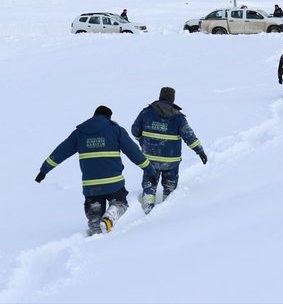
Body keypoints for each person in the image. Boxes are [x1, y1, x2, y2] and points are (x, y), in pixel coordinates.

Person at [35, 105, 157, 236]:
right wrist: (150, 171)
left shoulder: (80, 133)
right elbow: (134, 153)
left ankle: (96, 234)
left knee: (94, 219)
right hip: (113, 184)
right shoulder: (116, 131)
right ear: (108, 117)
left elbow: (60, 152)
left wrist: (44, 170)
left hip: (91, 186)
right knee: (120, 203)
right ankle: (112, 214)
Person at [131, 87, 207, 214]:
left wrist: (142, 141)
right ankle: (166, 213)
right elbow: (189, 136)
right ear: (172, 99)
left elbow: (135, 130)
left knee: (149, 186)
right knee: (170, 187)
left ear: (160, 96)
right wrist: (200, 151)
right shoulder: (178, 117)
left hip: (150, 159)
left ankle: (148, 210)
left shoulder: (146, 113)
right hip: (171, 160)